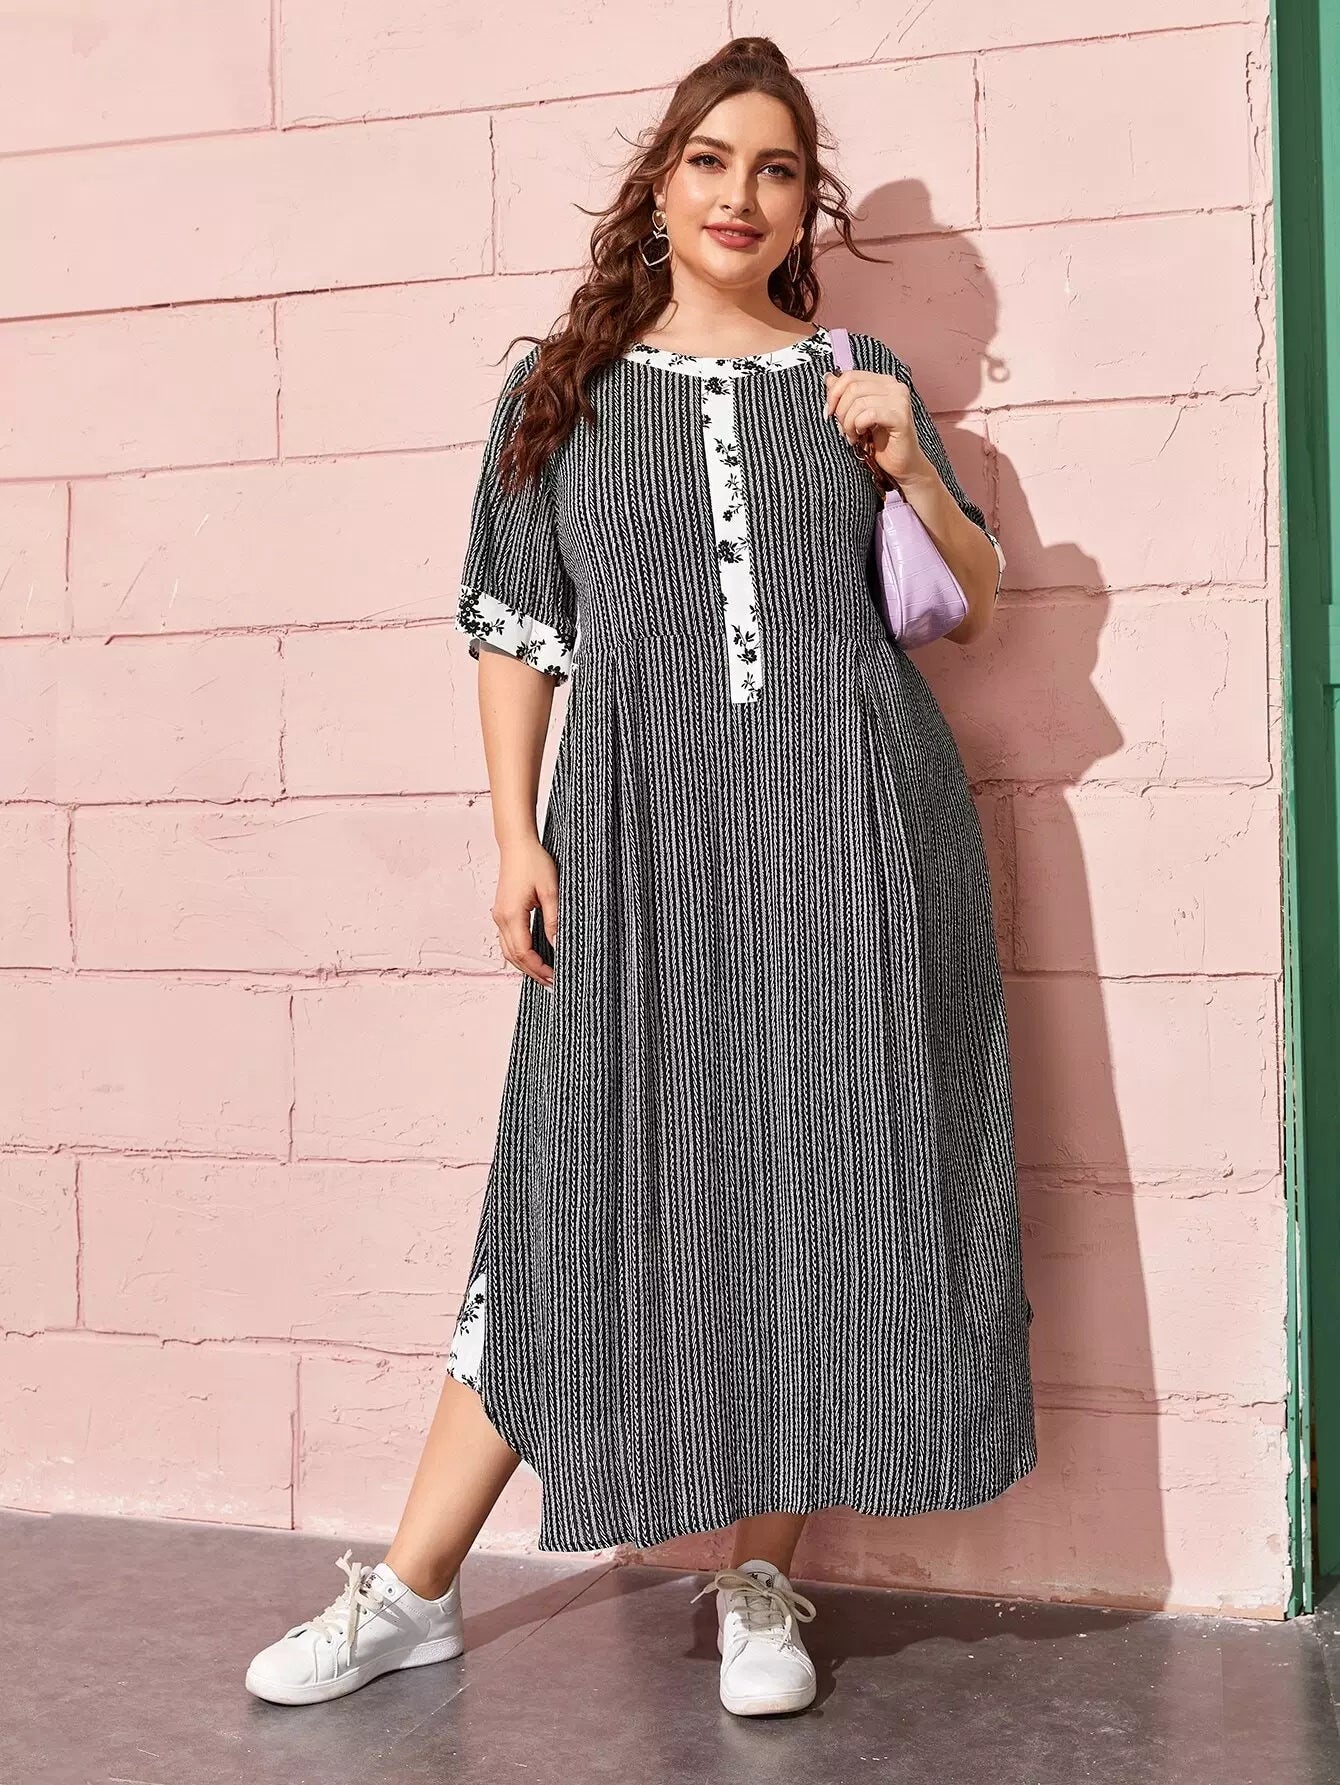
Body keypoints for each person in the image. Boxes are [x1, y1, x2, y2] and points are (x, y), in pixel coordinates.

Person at [244, 34, 1036, 1720]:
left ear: (804, 204)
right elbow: (514, 622)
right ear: (659, 185)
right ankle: (413, 1588)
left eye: (775, 169)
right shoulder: (565, 386)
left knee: (818, 1181)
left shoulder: (856, 375)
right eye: (711, 161)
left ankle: (759, 1576)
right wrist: (515, 830)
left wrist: (906, 457)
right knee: (568, 1193)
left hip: (851, 835)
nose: (742, 195)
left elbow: (972, 599)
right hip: (638, 840)